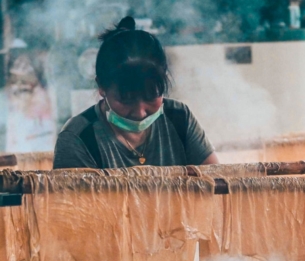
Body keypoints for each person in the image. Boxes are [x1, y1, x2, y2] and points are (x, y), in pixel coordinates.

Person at [53, 16, 218, 169]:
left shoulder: (179, 119)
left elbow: (215, 184)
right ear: (102, 87)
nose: (140, 113)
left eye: (150, 96)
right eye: (125, 99)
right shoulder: (80, 139)